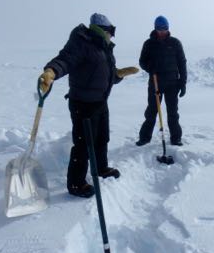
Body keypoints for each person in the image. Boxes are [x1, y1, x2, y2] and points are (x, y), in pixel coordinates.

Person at [39, 13, 139, 198]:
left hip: (100, 102)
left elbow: (105, 73)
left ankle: (101, 168)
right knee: (83, 145)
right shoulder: (82, 42)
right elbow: (65, 59)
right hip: (83, 104)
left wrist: (118, 75)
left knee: (102, 138)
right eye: (111, 32)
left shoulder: (104, 48)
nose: (112, 36)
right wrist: (51, 71)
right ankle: (76, 184)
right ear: (102, 30)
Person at [136, 15, 187, 147]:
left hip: (172, 84)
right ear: (155, 28)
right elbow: (142, 61)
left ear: (168, 28)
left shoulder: (175, 43)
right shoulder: (149, 44)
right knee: (151, 112)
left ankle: (176, 138)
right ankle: (144, 138)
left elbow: (182, 63)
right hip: (155, 83)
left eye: (164, 28)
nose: (162, 31)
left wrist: (183, 82)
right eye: (159, 28)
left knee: (172, 113)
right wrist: (149, 68)